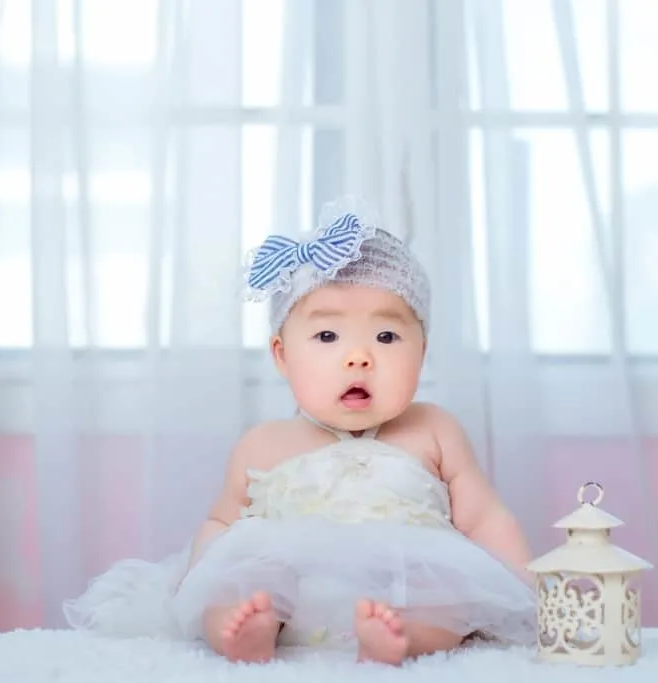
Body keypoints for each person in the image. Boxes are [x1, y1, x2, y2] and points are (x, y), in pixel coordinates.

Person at [63, 197, 537, 665]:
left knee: (449, 601)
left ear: (423, 350)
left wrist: (530, 590)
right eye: (327, 336)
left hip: (402, 585)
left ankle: (401, 637)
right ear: (282, 355)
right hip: (293, 590)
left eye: (387, 337)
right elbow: (222, 524)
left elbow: (483, 518)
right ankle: (247, 630)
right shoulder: (264, 443)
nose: (359, 357)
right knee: (240, 583)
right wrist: (200, 580)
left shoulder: (433, 428)